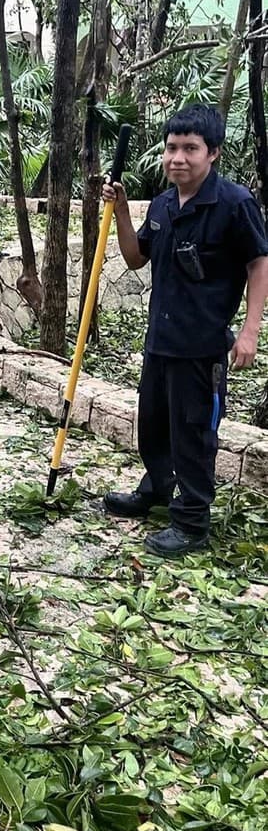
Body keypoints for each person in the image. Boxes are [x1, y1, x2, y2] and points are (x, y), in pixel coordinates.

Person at [102, 103, 268, 557]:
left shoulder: (234, 204)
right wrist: (119, 211)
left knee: (194, 433)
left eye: (190, 148)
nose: (177, 157)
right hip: (161, 338)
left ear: (212, 153)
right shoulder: (161, 204)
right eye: (171, 147)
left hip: (202, 344)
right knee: (154, 425)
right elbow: (137, 258)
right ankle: (157, 488)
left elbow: (259, 263)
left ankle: (192, 522)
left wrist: (250, 331)